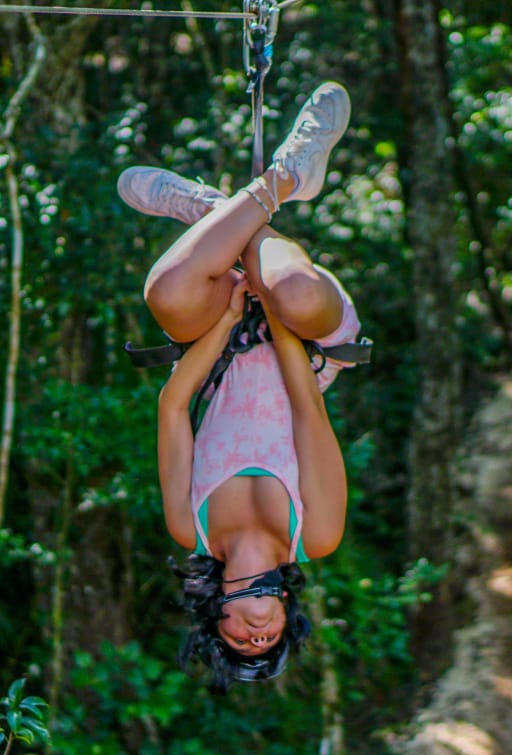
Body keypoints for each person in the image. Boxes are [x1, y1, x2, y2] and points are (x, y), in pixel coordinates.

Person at [117, 81, 360, 693]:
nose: (257, 635)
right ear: (285, 614)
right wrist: (272, 314)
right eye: (269, 639)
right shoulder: (316, 532)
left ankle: (227, 207)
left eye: (241, 640)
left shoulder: (188, 524)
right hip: (308, 345)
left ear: (214, 614)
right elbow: (306, 410)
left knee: (165, 294)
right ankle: (262, 190)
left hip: (221, 347)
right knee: (297, 292)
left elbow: (173, 408)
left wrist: (227, 321)